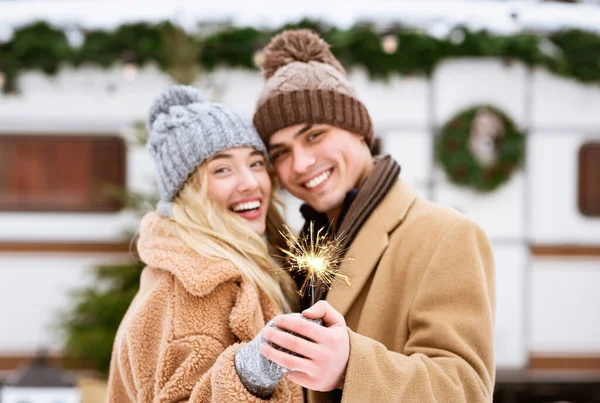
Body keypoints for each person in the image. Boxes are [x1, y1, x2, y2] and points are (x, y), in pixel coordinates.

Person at [251, 30, 496, 402]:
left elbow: (465, 390)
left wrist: (352, 366)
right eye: (281, 152)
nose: (300, 163)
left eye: (314, 135)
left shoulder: (447, 234)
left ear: (360, 132)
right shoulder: (300, 248)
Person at [106, 85, 307, 402]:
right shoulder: (194, 286)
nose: (250, 182)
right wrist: (250, 375)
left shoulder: (263, 260)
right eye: (222, 169)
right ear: (188, 191)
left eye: (256, 163)